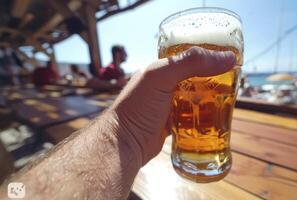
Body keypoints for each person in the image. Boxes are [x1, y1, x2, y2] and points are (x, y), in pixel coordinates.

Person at [0, 47, 236, 200]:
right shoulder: (111, 69)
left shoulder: (118, 69)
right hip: (101, 107)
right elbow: (96, 81)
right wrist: (124, 129)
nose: (124, 58)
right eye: (123, 55)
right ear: (118, 55)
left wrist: (126, 132)